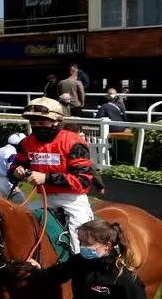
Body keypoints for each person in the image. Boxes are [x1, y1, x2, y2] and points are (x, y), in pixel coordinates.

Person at [9, 96, 97, 255]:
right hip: (45, 199)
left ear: (56, 121)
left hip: (73, 200)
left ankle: (85, 267)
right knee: (15, 221)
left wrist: (46, 178)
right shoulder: (27, 143)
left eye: (41, 123)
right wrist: (17, 171)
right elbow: (16, 166)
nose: (36, 127)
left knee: (81, 243)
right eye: (33, 123)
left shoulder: (74, 142)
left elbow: (82, 180)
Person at [0, 132, 27, 203]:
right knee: (22, 203)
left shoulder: (0, 150)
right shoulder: (13, 153)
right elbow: (11, 171)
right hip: (9, 183)